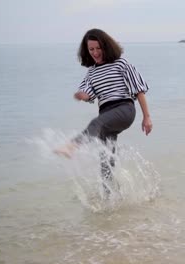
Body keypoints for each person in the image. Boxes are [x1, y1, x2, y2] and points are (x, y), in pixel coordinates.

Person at [54, 29, 152, 190]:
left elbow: (139, 90)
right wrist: (82, 96)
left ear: (106, 46)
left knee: (96, 123)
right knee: (106, 163)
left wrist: (146, 117)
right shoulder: (91, 73)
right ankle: (111, 200)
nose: (95, 52)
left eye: (98, 48)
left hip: (124, 109)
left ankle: (72, 146)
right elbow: (88, 94)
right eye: (91, 49)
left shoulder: (121, 63)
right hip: (107, 116)